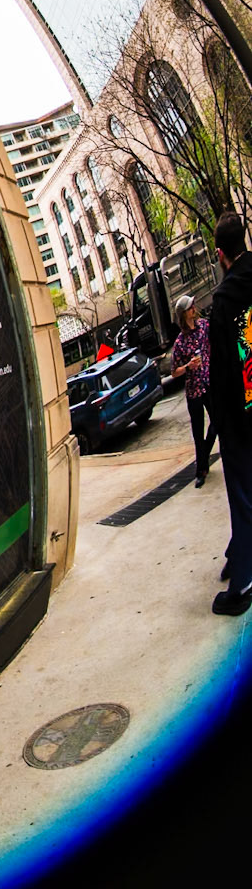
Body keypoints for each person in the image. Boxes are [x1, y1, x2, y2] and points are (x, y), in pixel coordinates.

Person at [205, 209, 252, 615]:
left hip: (242, 415)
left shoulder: (222, 302)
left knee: (243, 493)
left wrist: (218, 421)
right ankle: (239, 552)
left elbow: (220, 371)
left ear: (220, 253)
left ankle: (243, 585)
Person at [170, 293, 215, 487]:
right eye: (190, 307)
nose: (193, 309)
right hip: (193, 390)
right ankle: (201, 471)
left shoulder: (204, 326)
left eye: (193, 305)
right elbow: (174, 372)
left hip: (209, 383)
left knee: (217, 422)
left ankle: (203, 457)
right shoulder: (180, 342)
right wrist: (188, 366)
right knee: (198, 431)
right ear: (183, 314)